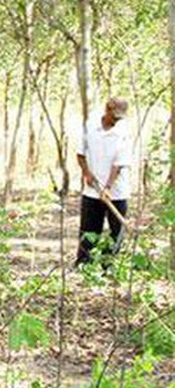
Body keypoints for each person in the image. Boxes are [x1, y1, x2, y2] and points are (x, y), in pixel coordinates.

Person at [76, 97, 132, 266]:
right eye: (114, 117)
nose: (116, 121)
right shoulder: (90, 126)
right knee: (88, 231)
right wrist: (87, 173)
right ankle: (84, 265)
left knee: (116, 233)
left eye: (119, 118)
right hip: (92, 190)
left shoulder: (124, 131)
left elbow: (119, 163)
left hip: (117, 191)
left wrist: (108, 187)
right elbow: (80, 154)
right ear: (107, 110)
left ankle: (108, 266)